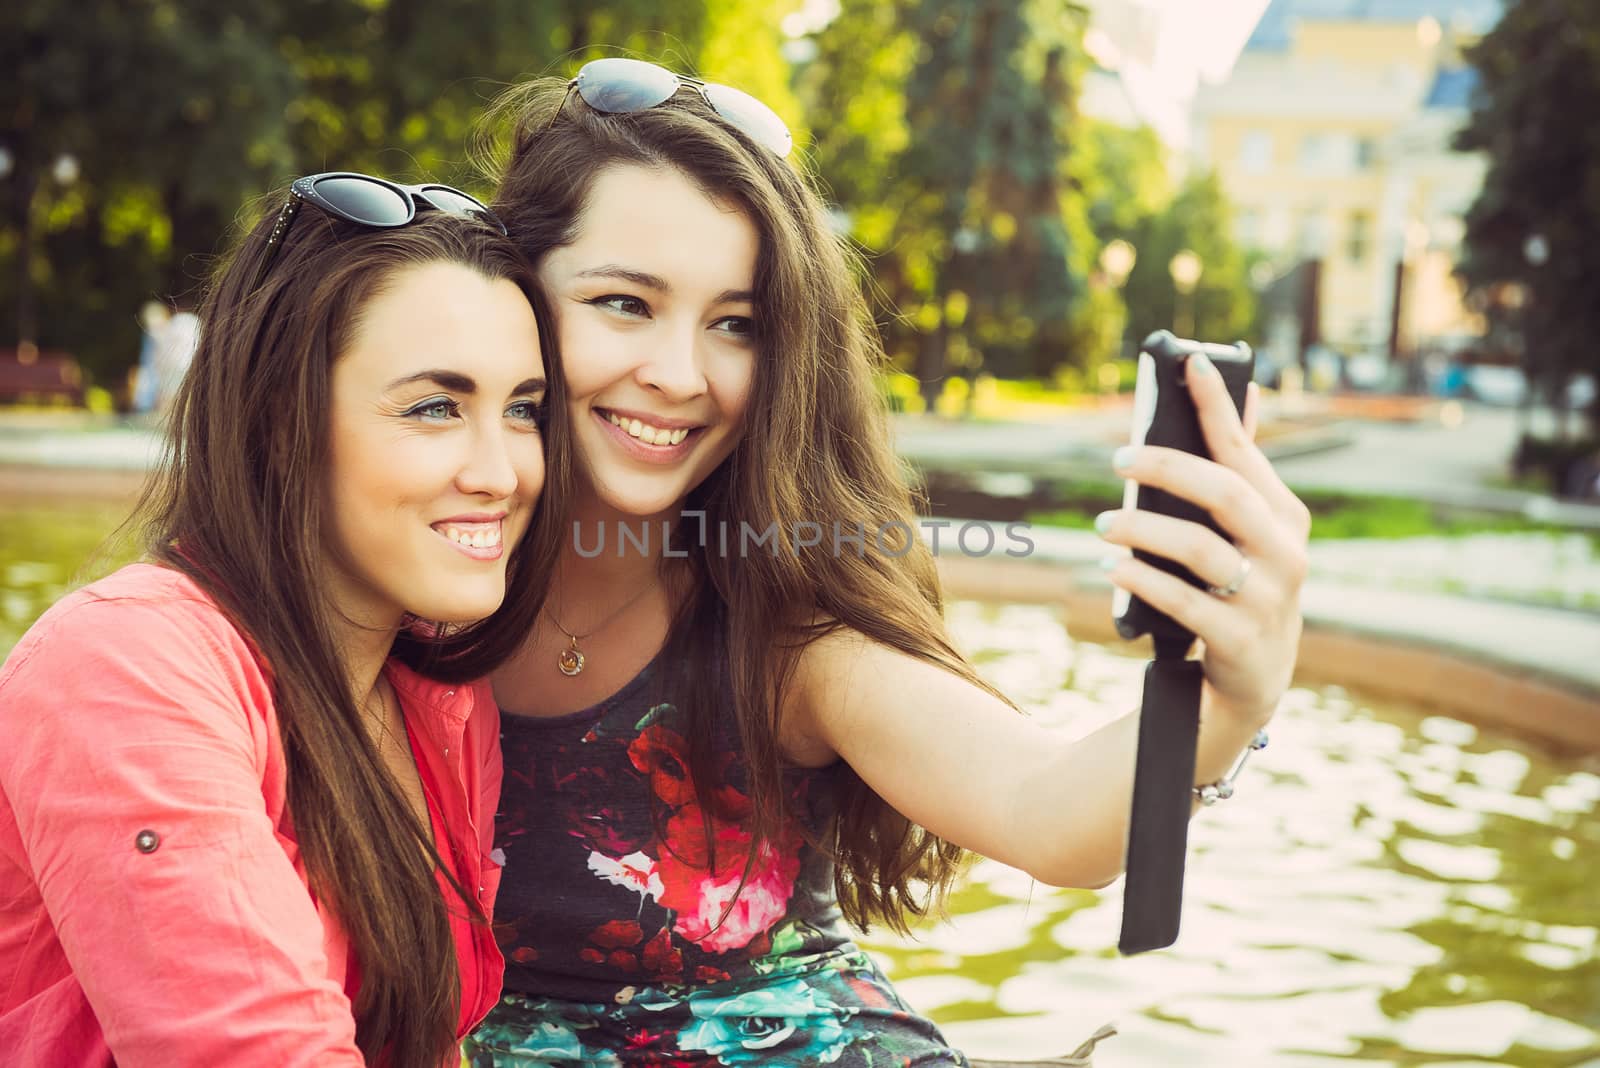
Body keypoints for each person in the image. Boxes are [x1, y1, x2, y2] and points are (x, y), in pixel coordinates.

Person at [466, 58, 1309, 1066]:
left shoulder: (786, 631)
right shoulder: (397, 586)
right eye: (623, 303)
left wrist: (1226, 700)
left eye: (736, 324)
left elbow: (1045, 810)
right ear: (511, 296)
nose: (681, 375)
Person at [0, 172, 570, 1068]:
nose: (502, 473)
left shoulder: (438, 699)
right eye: (434, 407)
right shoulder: (123, 664)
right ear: (278, 421)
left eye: (525, 410)